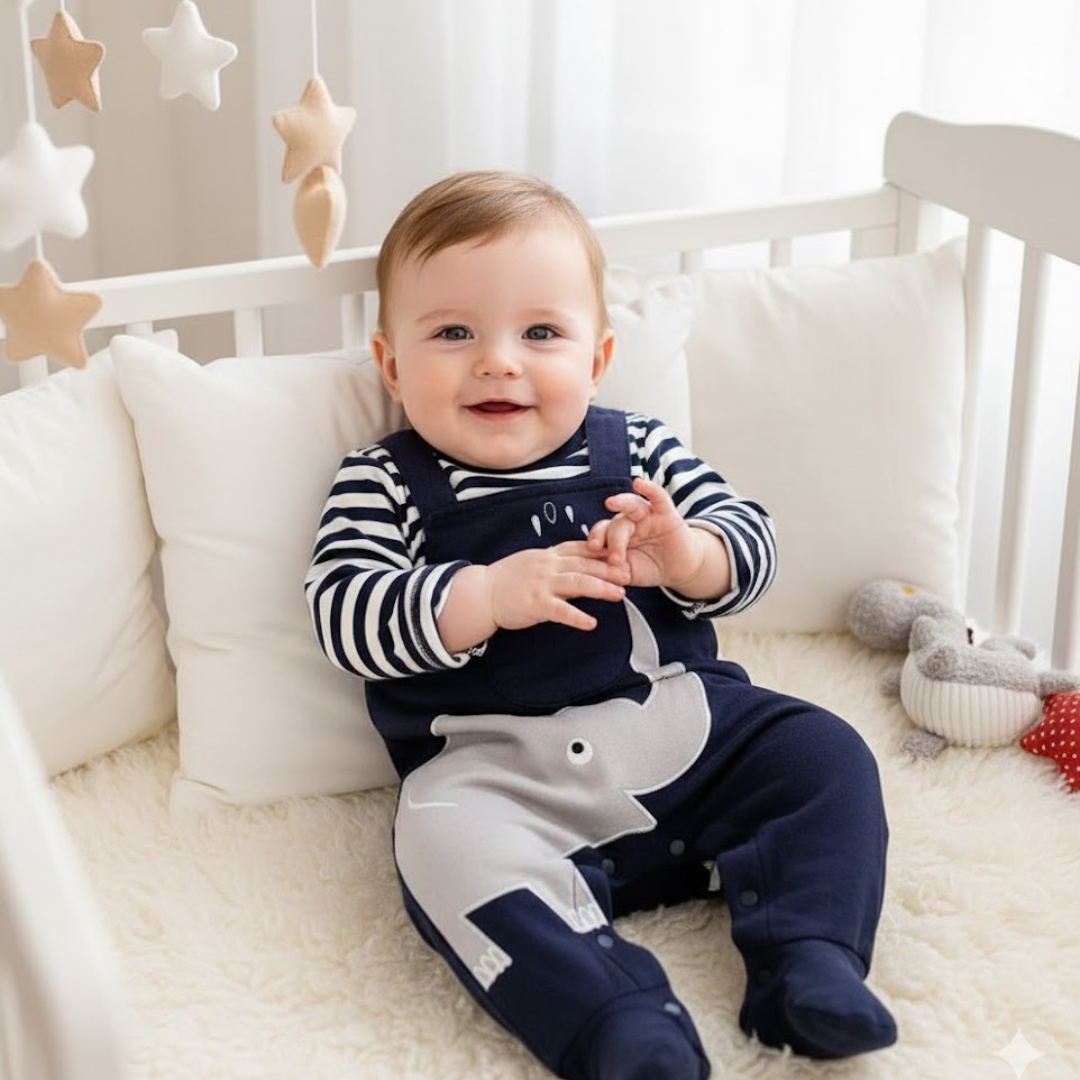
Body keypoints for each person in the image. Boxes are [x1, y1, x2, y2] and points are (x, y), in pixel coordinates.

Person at [305, 170, 897, 1080]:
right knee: (439, 849)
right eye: (453, 332)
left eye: (540, 332)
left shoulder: (639, 448)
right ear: (390, 364)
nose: (498, 360)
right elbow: (344, 614)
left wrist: (689, 556)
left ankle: (807, 958)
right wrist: (482, 597)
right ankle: (617, 1020)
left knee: (824, 754)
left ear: (596, 356)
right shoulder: (382, 481)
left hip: (686, 739)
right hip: (500, 780)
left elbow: (755, 544)